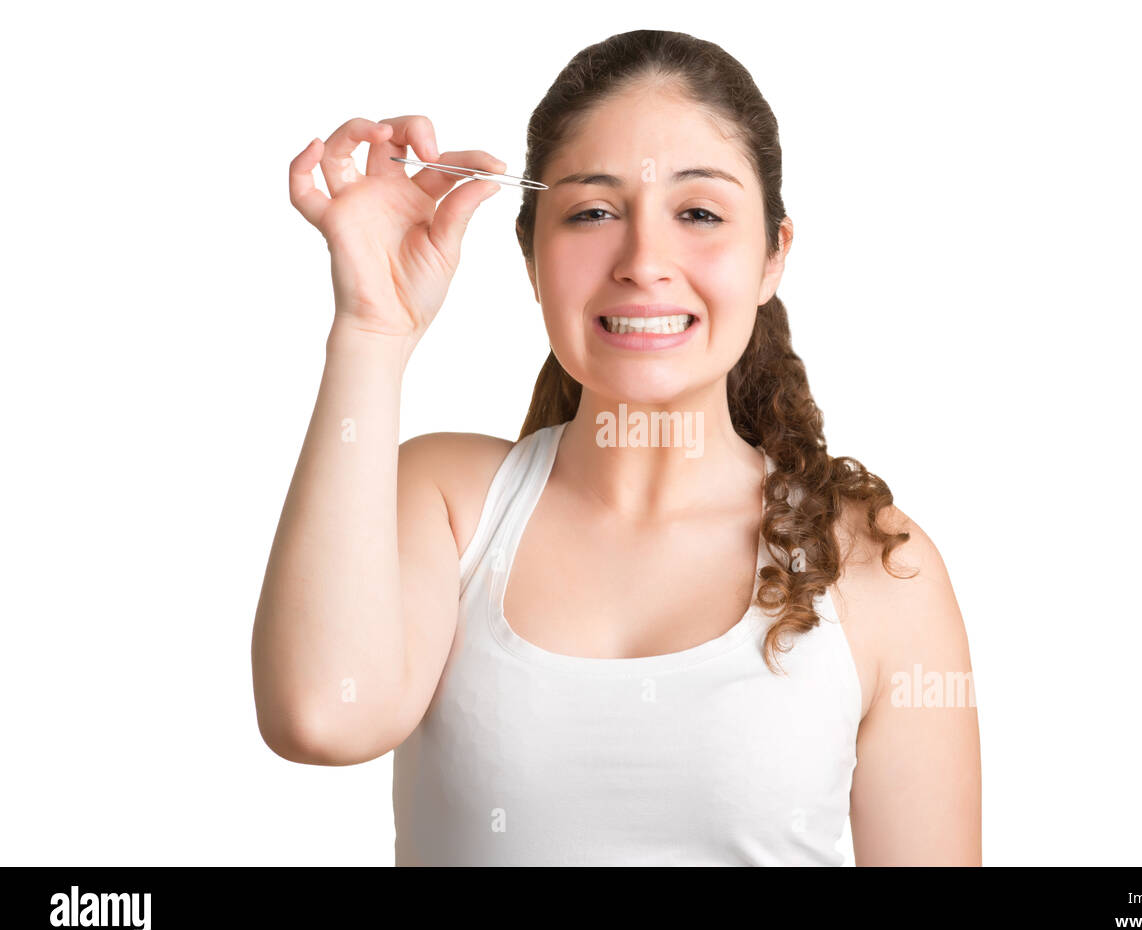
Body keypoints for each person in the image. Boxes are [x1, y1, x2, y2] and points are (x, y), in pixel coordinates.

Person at [253, 29, 980, 866]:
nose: (644, 262)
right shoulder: (450, 502)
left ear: (773, 255)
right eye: (593, 212)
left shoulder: (873, 565)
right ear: (530, 254)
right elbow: (322, 716)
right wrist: (372, 330)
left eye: (699, 213)